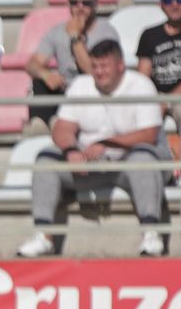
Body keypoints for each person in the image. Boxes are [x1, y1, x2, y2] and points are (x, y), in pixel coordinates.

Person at [17, 39, 171, 258]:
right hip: (90, 167)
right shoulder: (81, 85)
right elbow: (62, 128)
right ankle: (43, 235)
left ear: (120, 66)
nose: (99, 72)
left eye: (104, 66)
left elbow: (149, 135)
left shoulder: (141, 85)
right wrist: (71, 150)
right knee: (45, 160)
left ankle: (151, 233)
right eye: (95, 66)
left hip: (130, 165)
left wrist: (107, 144)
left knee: (142, 158)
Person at [25, 0, 120, 125]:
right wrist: (45, 74)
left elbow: (92, 71)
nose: (80, 7)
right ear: (68, 4)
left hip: (95, 92)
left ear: (96, 4)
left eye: (86, 3)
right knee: (39, 82)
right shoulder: (57, 32)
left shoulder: (106, 32)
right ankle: (41, 125)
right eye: (75, 2)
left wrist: (75, 37)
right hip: (66, 91)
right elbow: (32, 64)